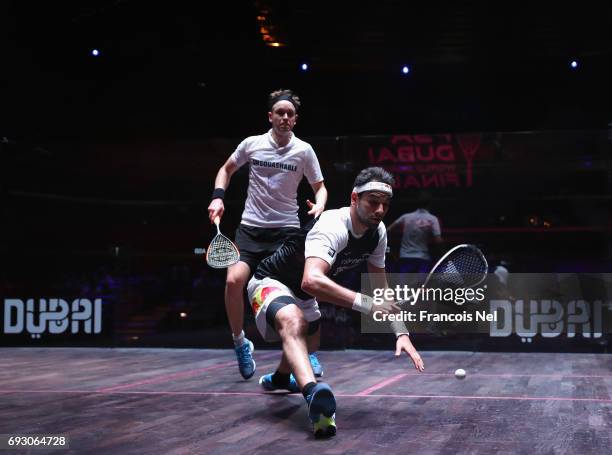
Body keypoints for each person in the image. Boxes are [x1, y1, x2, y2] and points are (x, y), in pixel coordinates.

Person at [246, 167, 425, 438]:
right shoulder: (333, 225)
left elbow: (381, 290)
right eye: (372, 202)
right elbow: (311, 281)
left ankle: (281, 378)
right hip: (270, 281)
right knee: (294, 322)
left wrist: (400, 332)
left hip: (305, 296)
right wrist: (367, 304)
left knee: (309, 344)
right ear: (354, 198)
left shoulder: (377, 234)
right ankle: (313, 396)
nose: (379, 210)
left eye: (385, 205)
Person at [207, 89, 328, 379]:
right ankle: (240, 343)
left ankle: (307, 352)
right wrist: (218, 197)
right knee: (233, 281)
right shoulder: (252, 144)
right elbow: (226, 169)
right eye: (279, 113)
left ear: (295, 120)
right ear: (270, 116)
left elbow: (320, 187)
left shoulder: (304, 151)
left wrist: (319, 206)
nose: (284, 117)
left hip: (286, 231)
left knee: (299, 292)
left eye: (289, 114)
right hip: (250, 229)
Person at [387, 191, 443, 274]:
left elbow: (388, 230)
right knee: (421, 286)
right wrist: (444, 253)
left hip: (405, 257)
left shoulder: (406, 217)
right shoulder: (432, 219)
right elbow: (438, 240)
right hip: (423, 259)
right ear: (430, 204)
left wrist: (391, 249)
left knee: (404, 287)